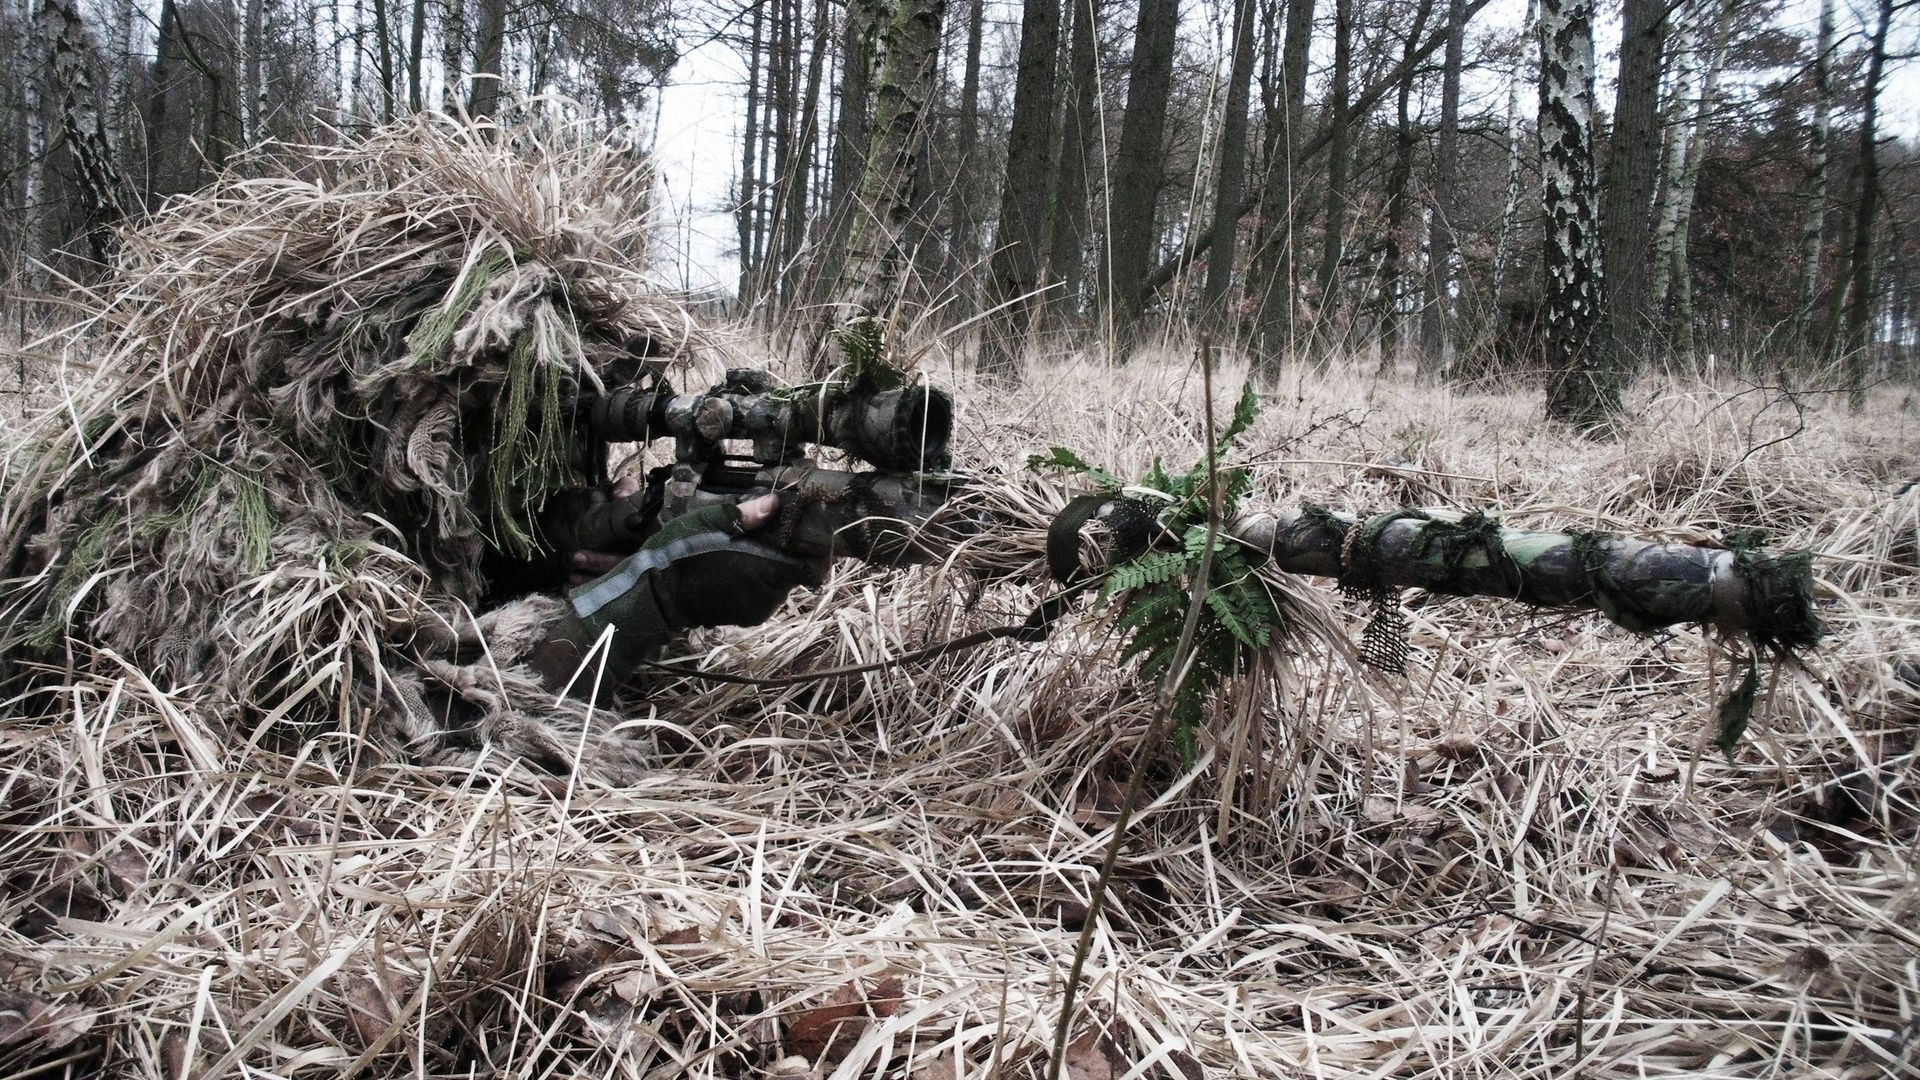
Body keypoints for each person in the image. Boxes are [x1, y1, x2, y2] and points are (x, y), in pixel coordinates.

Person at [0, 119, 817, 782]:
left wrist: (606, 533)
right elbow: (394, 722)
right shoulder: (237, 499)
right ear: (403, 400)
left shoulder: (419, 481)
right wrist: (654, 591)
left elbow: (489, 540)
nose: (547, 452)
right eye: (510, 422)